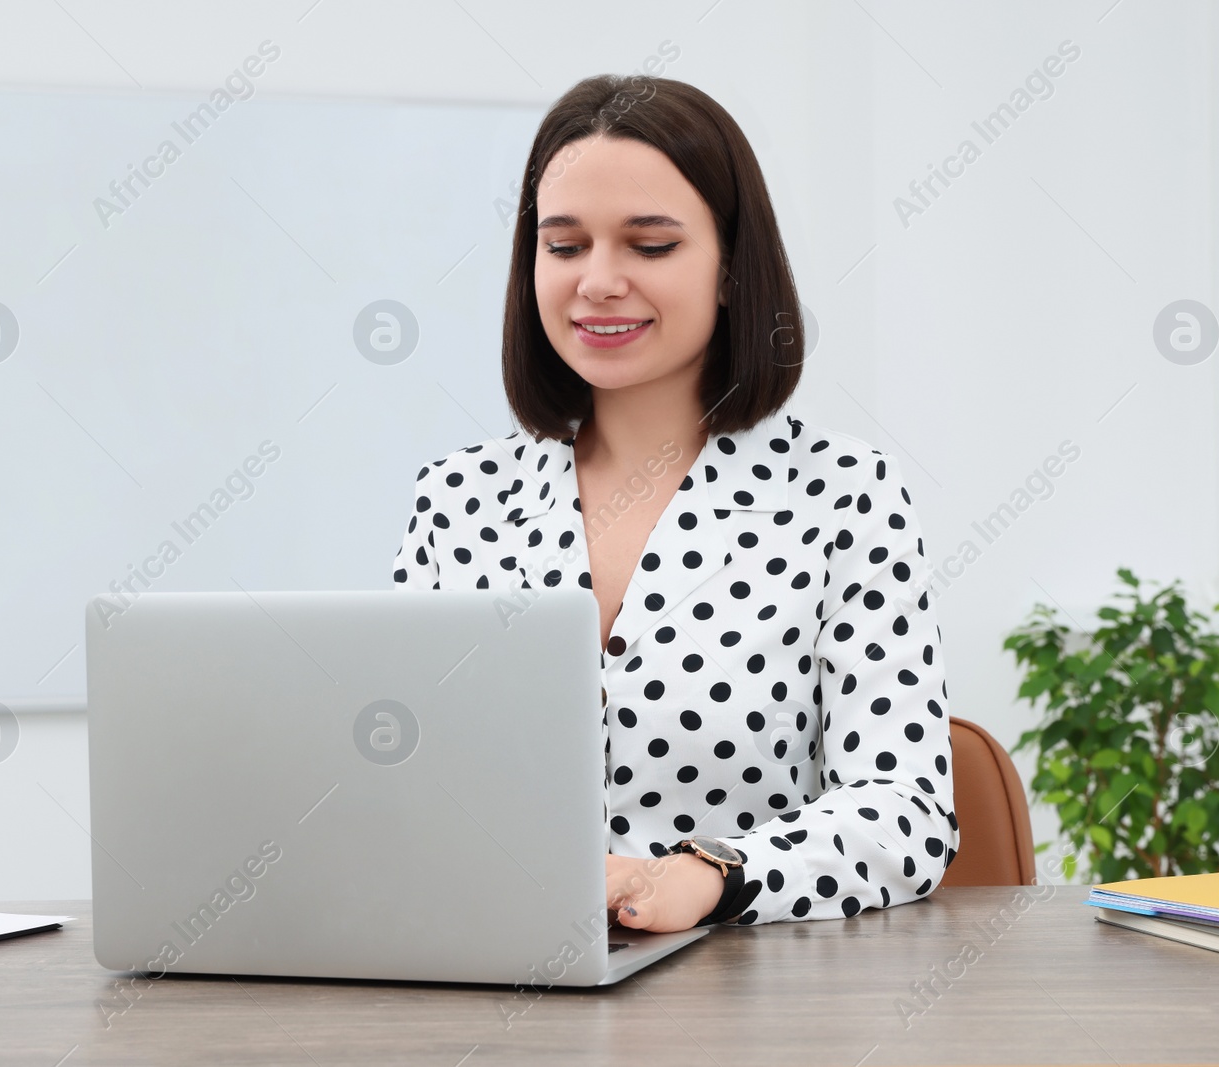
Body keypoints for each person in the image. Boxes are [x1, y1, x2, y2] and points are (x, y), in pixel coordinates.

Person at [393, 74, 957, 931]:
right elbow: (400, 788)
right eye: (565, 245)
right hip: (493, 979)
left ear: (733, 269)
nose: (598, 281)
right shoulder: (457, 500)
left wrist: (709, 877)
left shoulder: (845, 496)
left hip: (746, 982)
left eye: (650, 246)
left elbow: (906, 810)